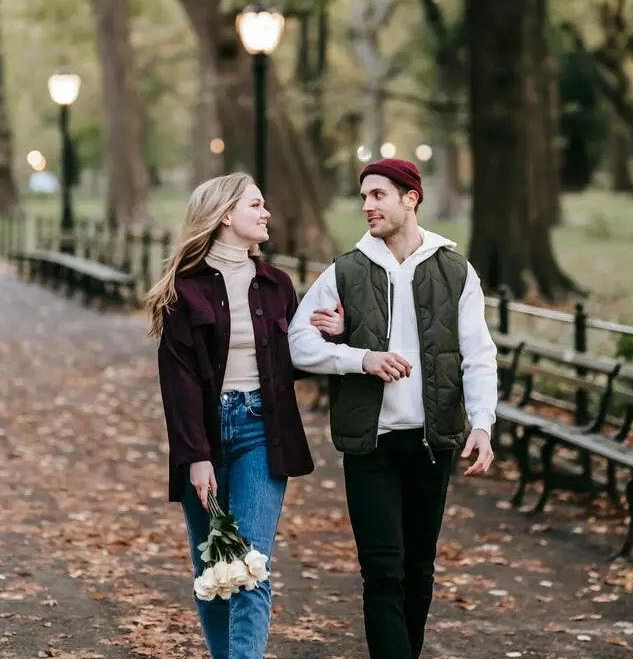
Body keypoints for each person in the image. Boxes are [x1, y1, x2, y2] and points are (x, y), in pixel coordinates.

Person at [290, 157, 498, 659]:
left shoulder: (454, 269)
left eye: (378, 195)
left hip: (433, 442)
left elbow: (478, 353)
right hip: (371, 444)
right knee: (383, 571)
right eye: (363, 197)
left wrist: (483, 424)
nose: (367, 206)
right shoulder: (346, 270)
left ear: (411, 198)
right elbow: (297, 342)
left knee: (418, 569)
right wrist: (359, 358)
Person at [146, 173, 343, 659]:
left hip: (263, 431)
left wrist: (334, 335)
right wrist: (196, 457)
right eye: (256, 204)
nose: (267, 212)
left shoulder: (277, 285)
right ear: (226, 215)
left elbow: (292, 361)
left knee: (250, 566)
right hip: (205, 437)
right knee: (213, 570)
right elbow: (180, 386)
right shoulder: (183, 292)